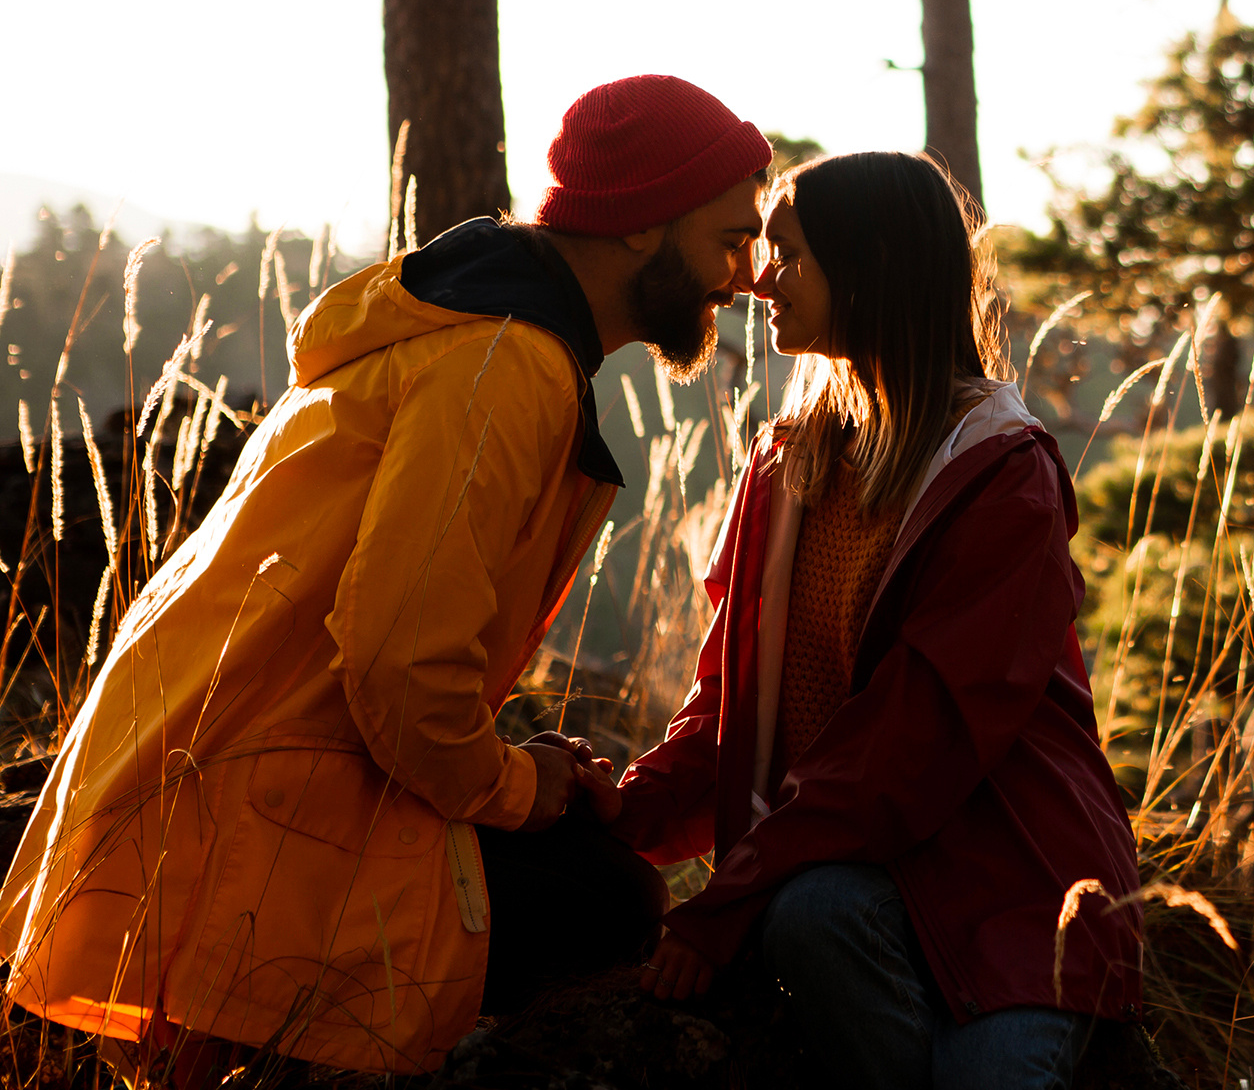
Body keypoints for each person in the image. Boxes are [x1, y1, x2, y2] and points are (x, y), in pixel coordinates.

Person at [0, 75, 772, 1078]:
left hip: (233, 785)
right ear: (639, 228)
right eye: (729, 238)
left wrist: (520, 768)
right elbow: (399, 664)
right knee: (605, 899)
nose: (744, 275)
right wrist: (519, 785)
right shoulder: (504, 365)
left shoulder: (480, 340)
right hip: (248, 817)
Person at [590, 149, 1142, 1090]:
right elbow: (730, 695)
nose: (761, 276)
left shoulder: (1002, 475)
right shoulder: (788, 466)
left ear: (875, 267)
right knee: (811, 914)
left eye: (791, 254)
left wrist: (728, 902)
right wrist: (621, 814)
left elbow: (913, 740)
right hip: (852, 882)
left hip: (1010, 892)